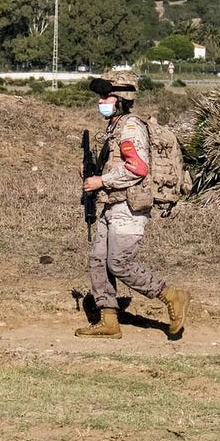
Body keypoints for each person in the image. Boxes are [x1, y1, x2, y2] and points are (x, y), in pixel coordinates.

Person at [75, 70, 190, 339]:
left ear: (121, 99)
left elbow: (138, 168)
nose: (102, 101)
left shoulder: (129, 127)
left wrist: (101, 180)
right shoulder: (116, 126)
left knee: (119, 263)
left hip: (129, 207)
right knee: (98, 262)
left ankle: (171, 296)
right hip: (114, 205)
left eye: (106, 96)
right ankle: (109, 320)